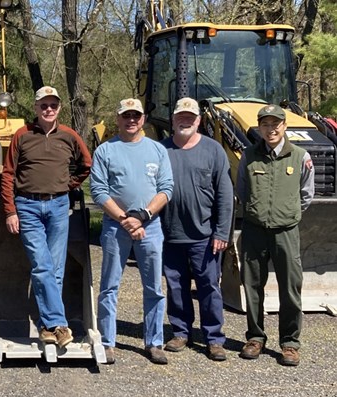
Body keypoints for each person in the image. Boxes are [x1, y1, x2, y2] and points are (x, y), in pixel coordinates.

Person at [1, 86, 92, 348]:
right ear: (35, 108)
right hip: (28, 206)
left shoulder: (69, 136)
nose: (48, 110)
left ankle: (46, 327)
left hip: (58, 206)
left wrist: (67, 184)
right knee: (42, 266)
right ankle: (60, 325)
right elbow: (8, 174)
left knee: (56, 268)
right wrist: (10, 210)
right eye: (43, 105)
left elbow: (86, 165)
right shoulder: (22, 135)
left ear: (59, 108)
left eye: (53, 105)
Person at [90, 98, 173, 365]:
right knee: (109, 286)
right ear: (118, 119)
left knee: (154, 288)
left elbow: (166, 189)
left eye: (136, 115)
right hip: (116, 227)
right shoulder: (105, 151)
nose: (131, 120)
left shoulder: (157, 150)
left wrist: (144, 216)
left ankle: (154, 342)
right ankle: (107, 341)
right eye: (126, 116)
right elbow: (99, 190)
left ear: (143, 118)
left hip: (151, 226)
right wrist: (125, 219)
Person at [236, 104, 314, 366]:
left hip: (286, 232)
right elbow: (242, 190)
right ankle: (255, 338)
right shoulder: (248, 156)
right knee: (252, 287)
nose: (271, 129)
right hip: (254, 231)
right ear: (259, 128)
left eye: (275, 124)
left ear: (285, 126)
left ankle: (290, 343)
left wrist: (286, 213)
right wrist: (257, 213)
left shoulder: (300, 156)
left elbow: (306, 194)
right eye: (265, 124)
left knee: (290, 288)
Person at [160, 98, 233, 361]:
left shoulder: (214, 151)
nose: (185, 120)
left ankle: (214, 338)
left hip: (205, 237)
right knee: (176, 286)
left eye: (191, 117)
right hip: (170, 234)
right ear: (173, 119)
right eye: (181, 116)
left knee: (209, 287)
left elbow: (225, 195)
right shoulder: (161, 150)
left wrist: (222, 232)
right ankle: (180, 332)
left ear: (199, 121)